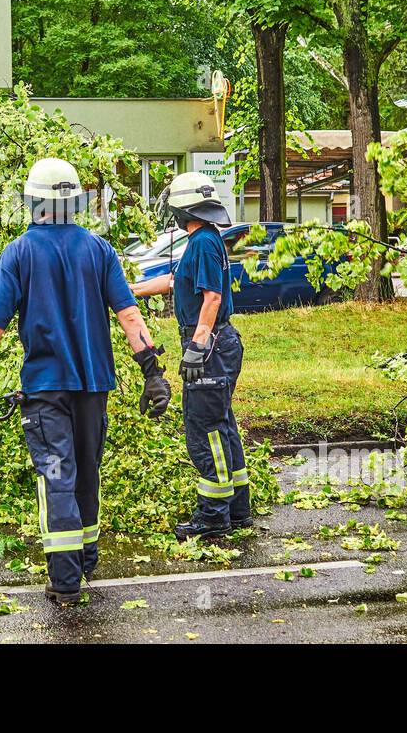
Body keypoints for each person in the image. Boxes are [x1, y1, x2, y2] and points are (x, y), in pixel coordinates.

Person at [0, 158, 171, 606]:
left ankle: (65, 579)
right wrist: (152, 373)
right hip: (94, 386)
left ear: (33, 200)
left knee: (56, 474)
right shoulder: (100, 250)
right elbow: (130, 315)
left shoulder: (18, 252)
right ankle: (86, 558)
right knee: (86, 471)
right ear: (74, 201)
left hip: (45, 388)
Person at [130, 171, 250, 541]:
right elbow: (170, 282)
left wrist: (197, 347)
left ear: (183, 209)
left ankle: (213, 517)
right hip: (220, 343)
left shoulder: (201, 243)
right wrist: (126, 290)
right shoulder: (205, 240)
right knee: (223, 423)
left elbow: (212, 298)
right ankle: (237, 508)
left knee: (204, 428)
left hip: (210, 345)